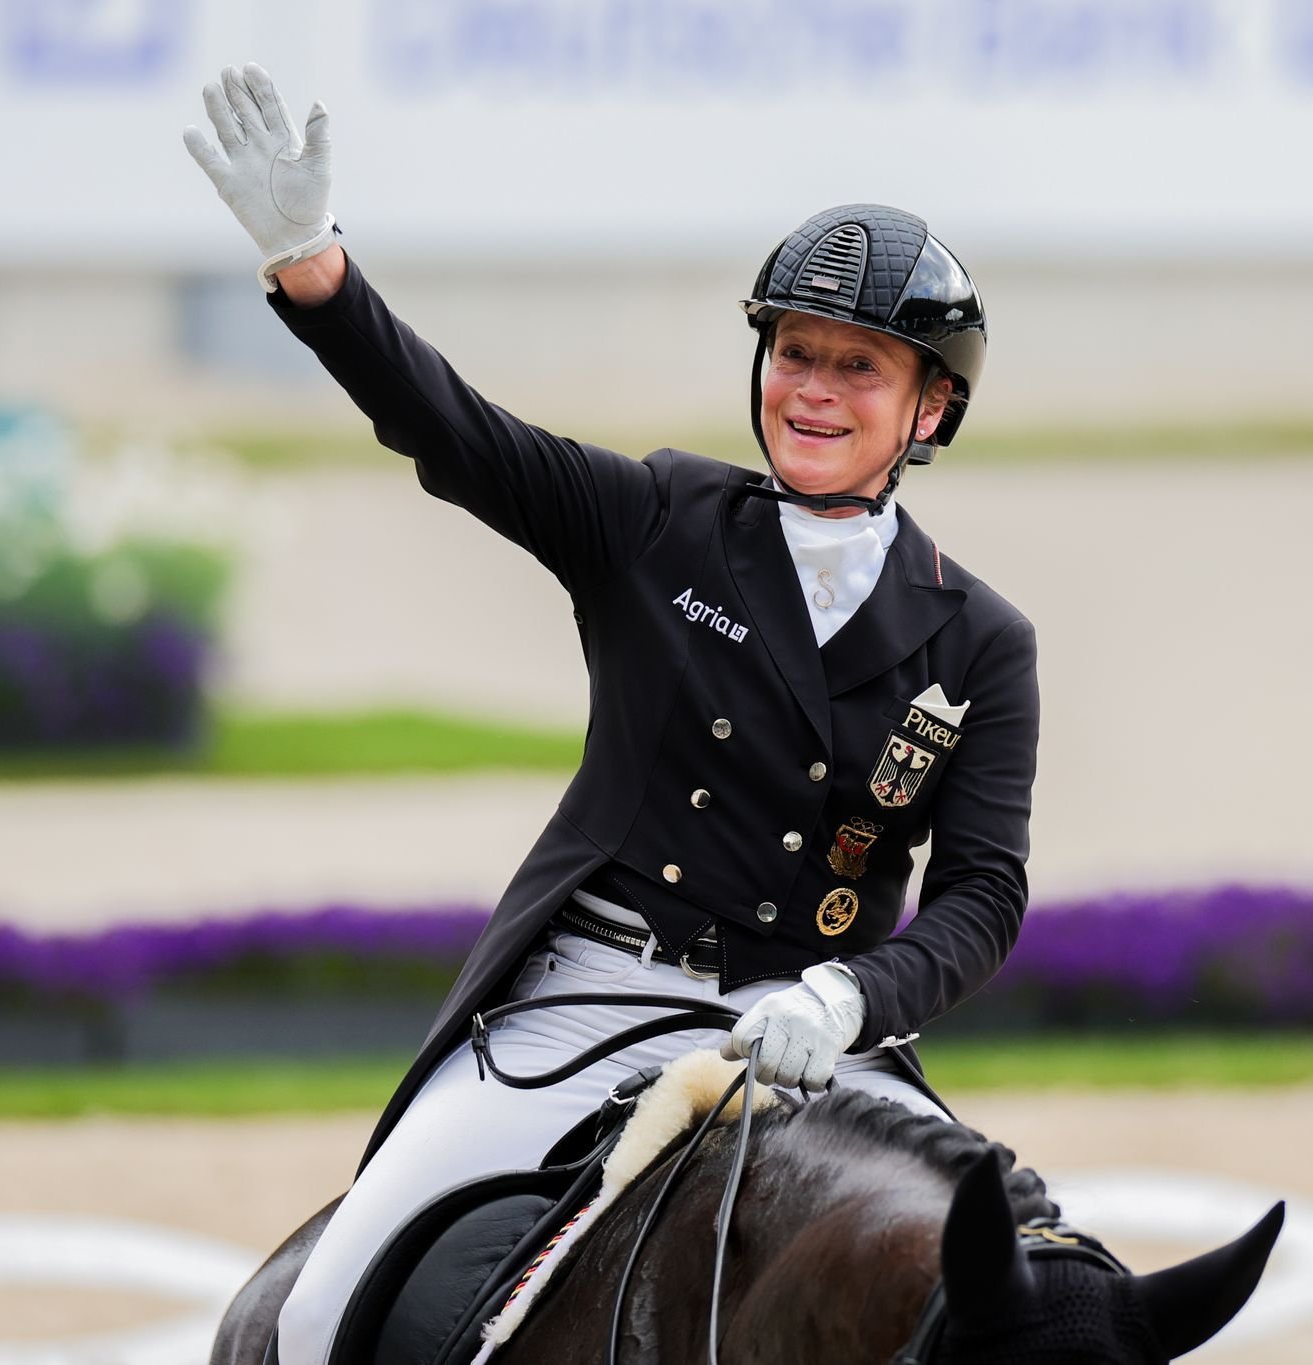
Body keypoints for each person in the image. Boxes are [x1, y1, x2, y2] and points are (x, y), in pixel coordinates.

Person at [184, 64, 1037, 1365]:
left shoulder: (980, 638)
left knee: (1010, 1299)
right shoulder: (657, 520)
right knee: (314, 1311)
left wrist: (851, 998)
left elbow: (983, 892)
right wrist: (315, 269)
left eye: (856, 366)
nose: (811, 387)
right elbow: (461, 434)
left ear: (930, 409)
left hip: (817, 1037)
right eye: (794, 351)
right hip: (594, 998)